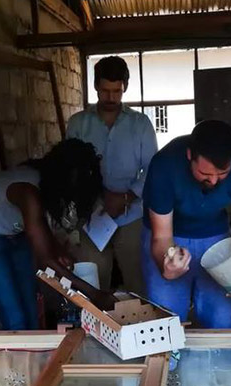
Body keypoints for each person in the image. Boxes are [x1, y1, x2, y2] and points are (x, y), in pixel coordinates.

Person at [0, 138, 113, 330]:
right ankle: (20, 358)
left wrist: (57, 249)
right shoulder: (29, 192)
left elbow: (39, 227)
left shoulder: (46, 183)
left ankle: (35, 358)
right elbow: (45, 260)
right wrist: (93, 294)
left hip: (16, 235)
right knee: (15, 317)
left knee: (31, 309)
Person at [141, 120, 231, 329]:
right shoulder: (164, 165)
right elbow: (161, 236)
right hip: (169, 235)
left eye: (222, 174)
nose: (214, 181)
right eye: (205, 174)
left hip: (215, 237)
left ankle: (222, 361)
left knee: (223, 321)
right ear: (190, 156)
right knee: (165, 324)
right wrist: (166, 264)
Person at [66, 55, 158, 296]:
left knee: (138, 284)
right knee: (92, 285)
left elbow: (152, 168)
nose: (111, 97)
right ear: (96, 86)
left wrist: (127, 196)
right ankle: (98, 332)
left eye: (116, 91)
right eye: (105, 90)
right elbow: (71, 168)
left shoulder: (141, 124)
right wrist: (99, 196)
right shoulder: (78, 124)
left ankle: (138, 332)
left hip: (132, 217)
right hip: (92, 215)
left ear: (124, 88)